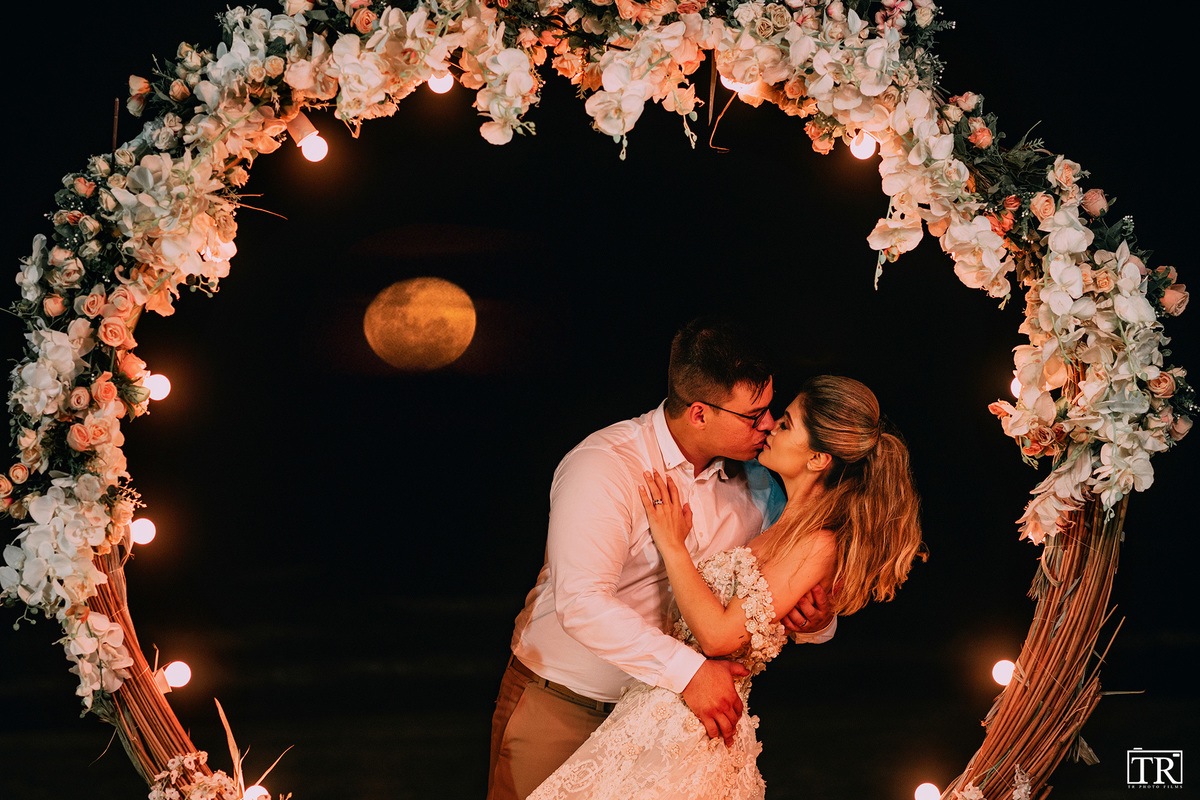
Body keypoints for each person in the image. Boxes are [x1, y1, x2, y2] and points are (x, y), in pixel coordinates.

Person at [528, 375, 926, 800]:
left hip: (692, 724)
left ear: (817, 459)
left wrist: (673, 546)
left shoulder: (814, 538)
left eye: (785, 423)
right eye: (762, 416)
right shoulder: (781, 518)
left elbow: (720, 636)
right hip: (643, 709)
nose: (770, 425)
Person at [487, 320, 837, 800]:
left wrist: (817, 620)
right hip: (563, 704)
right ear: (698, 413)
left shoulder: (763, 482)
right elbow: (581, 602)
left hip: (667, 728)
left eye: (770, 409)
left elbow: (778, 581)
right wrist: (689, 672)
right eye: (752, 415)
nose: (768, 424)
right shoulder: (606, 465)